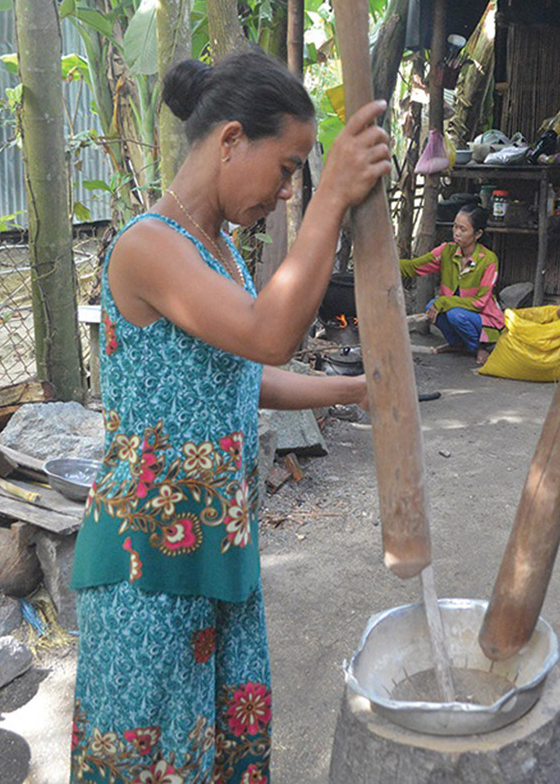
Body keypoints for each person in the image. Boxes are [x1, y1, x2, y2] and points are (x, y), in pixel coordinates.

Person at [68, 51, 390, 783]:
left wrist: (355, 391)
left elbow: (246, 376)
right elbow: (264, 334)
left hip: (216, 553)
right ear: (231, 139)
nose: (287, 191)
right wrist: (331, 197)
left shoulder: (218, 253)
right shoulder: (149, 246)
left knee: (211, 756)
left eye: (300, 177)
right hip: (146, 565)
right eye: (287, 168)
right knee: (151, 758)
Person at [400, 204, 504, 364]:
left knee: (455, 314)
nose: (456, 233)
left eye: (463, 229)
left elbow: (479, 302)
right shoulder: (446, 251)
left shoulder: (488, 260)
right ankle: (458, 344)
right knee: (432, 307)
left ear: (478, 234)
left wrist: (444, 302)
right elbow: (415, 267)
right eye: (455, 226)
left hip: (482, 316)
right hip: (455, 310)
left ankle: (479, 347)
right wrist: (385, 261)